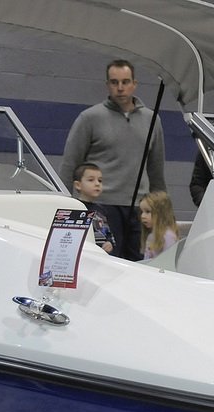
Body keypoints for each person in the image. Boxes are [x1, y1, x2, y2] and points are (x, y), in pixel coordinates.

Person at [59, 58, 166, 261]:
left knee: (140, 265)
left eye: (125, 82)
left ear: (134, 84)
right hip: (101, 208)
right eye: (114, 82)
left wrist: (161, 210)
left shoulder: (152, 120)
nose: (120, 88)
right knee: (104, 264)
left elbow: (156, 169)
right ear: (107, 85)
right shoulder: (89, 118)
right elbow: (70, 164)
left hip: (139, 208)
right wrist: (66, 205)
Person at [72, 162, 116, 254]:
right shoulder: (75, 207)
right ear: (78, 185)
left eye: (100, 180)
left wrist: (110, 242)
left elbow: (108, 232)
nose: (97, 184)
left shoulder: (102, 209)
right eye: (91, 180)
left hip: (101, 254)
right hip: (84, 253)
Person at [139, 190, 179, 260]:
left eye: (148, 211)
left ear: (161, 213)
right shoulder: (151, 236)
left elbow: (168, 261)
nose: (142, 216)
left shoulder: (168, 236)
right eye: (142, 212)